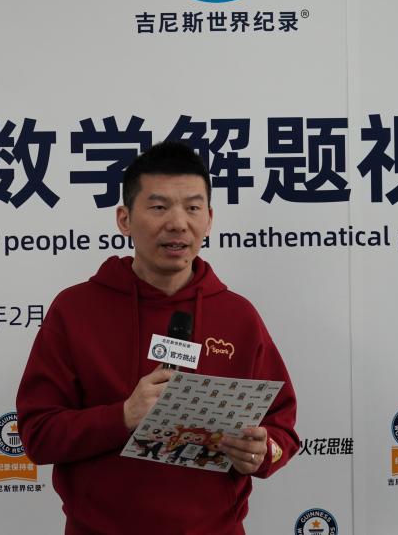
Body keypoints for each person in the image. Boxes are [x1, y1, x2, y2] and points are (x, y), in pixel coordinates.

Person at [16, 141, 298, 534]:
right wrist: (122, 416)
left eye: (193, 208)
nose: (178, 223)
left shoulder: (238, 316)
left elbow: (282, 430)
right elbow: (38, 435)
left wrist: (263, 451)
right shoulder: (75, 310)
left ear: (209, 219)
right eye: (159, 207)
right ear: (124, 219)